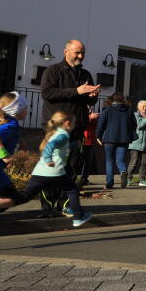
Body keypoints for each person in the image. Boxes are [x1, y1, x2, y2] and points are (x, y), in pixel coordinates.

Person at [0, 111, 92, 228]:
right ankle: (78, 217)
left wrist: (74, 145)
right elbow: (51, 146)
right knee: (72, 190)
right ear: (68, 123)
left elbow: (58, 146)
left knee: (24, 196)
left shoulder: (54, 133)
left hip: (39, 173)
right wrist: (49, 159)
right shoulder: (63, 134)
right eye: (74, 123)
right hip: (55, 172)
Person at [39, 40, 99, 185]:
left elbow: (89, 102)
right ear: (66, 52)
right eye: (77, 52)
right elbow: (47, 93)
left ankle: (66, 204)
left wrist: (92, 96)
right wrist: (76, 91)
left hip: (77, 128)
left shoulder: (85, 74)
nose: (80, 56)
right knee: (53, 167)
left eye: (83, 53)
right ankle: (48, 205)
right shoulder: (53, 71)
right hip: (55, 128)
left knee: (72, 167)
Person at [0, 93, 30, 228]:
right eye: (25, 107)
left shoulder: (8, 122)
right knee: (15, 198)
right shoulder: (12, 124)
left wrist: (20, 143)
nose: (28, 110)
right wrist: (5, 156)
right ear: (18, 110)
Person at [95, 92, 137, 190]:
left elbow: (100, 124)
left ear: (112, 99)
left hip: (109, 138)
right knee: (120, 160)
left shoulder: (107, 110)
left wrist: (98, 136)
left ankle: (110, 182)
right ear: (122, 99)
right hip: (123, 139)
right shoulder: (129, 110)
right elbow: (134, 125)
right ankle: (123, 172)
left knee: (109, 160)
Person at [124, 100, 146, 187]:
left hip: (145, 144)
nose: (145, 108)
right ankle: (128, 178)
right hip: (135, 143)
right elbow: (139, 126)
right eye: (143, 107)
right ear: (138, 107)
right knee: (134, 162)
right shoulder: (135, 115)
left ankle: (142, 179)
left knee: (144, 163)